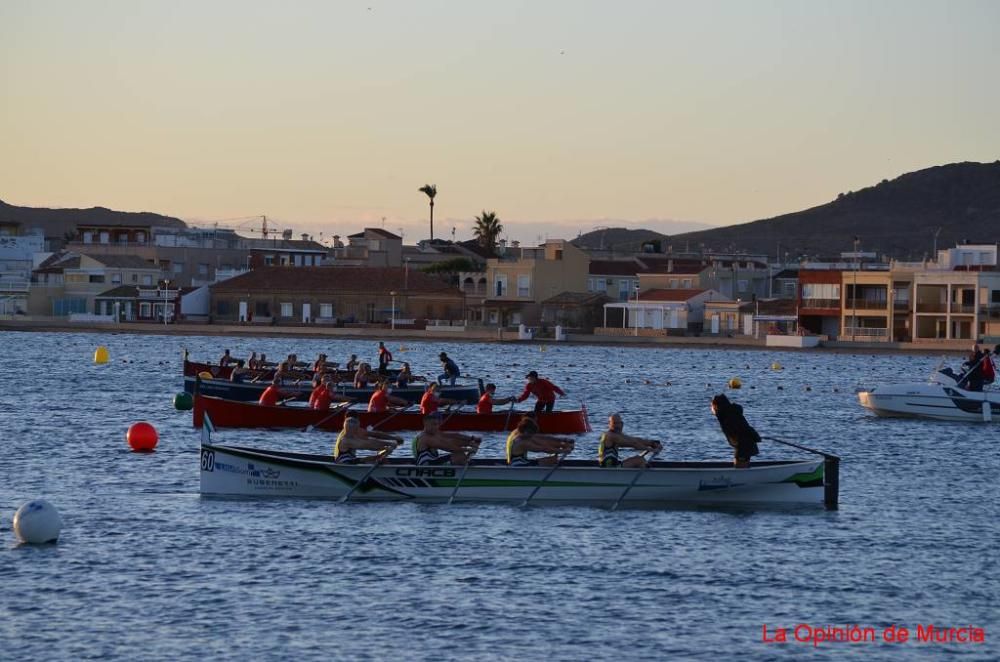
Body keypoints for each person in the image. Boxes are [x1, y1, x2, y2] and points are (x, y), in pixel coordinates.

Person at [711, 394, 760, 468]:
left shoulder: (730, 416)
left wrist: (756, 436)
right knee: (739, 468)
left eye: (712, 406)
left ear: (716, 406)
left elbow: (744, 428)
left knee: (739, 470)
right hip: (742, 445)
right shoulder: (727, 414)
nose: (711, 408)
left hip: (744, 445)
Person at [412, 414, 481, 465]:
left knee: (457, 444)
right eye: (433, 424)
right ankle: (467, 465)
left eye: (437, 424)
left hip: (433, 462)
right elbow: (449, 447)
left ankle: (466, 462)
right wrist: (468, 449)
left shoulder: (434, 433)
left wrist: (471, 440)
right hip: (427, 467)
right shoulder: (426, 438)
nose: (436, 427)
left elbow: (455, 436)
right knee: (458, 454)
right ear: (425, 424)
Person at [598, 413, 662, 468]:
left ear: (622, 424)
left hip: (613, 466)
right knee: (639, 460)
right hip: (610, 469)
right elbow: (634, 444)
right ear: (609, 424)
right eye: (614, 423)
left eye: (618, 423)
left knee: (639, 458)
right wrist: (652, 450)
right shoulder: (611, 436)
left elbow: (635, 440)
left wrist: (652, 443)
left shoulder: (617, 434)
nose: (617, 425)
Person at [505, 417, 574, 466]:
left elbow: (543, 438)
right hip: (519, 466)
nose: (531, 435)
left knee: (551, 459)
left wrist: (563, 441)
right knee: (551, 460)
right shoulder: (522, 443)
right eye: (531, 433)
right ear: (525, 430)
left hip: (519, 462)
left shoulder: (517, 433)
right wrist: (563, 451)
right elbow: (544, 449)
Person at [333, 417, 403, 464]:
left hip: (352, 462)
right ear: (353, 428)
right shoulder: (346, 440)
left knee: (378, 458)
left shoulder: (351, 437)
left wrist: (384, 449)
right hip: (346, 465)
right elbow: (367, 445)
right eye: (357, 428)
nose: (359, 429)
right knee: (375, 458)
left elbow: (370, 442)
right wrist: (389, 444)